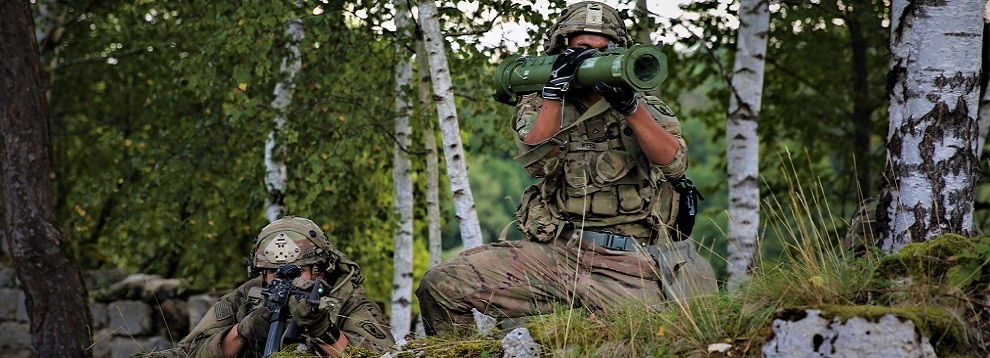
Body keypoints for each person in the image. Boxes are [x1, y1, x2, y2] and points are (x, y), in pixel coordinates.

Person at [416, 1, 717, 336]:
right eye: (582, 50)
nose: (593, 59)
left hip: (632, 265)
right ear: (561, 51)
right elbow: (539, 164)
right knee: (441, 284)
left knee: (653, 336)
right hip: (558, 256)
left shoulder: (645, 106)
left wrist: (631, 107)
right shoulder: (538, 103)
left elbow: (674, 163)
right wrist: (554, 94)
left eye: (606, 51)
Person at [177, 216, 395, 357]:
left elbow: (381, 354)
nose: (284, 281)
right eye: (274, 272)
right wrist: (242, 332)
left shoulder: (349, 302)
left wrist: (322, 330)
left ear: (319, 270)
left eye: (296, 272)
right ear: (261, 272)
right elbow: (190, 352)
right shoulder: (244, 298)